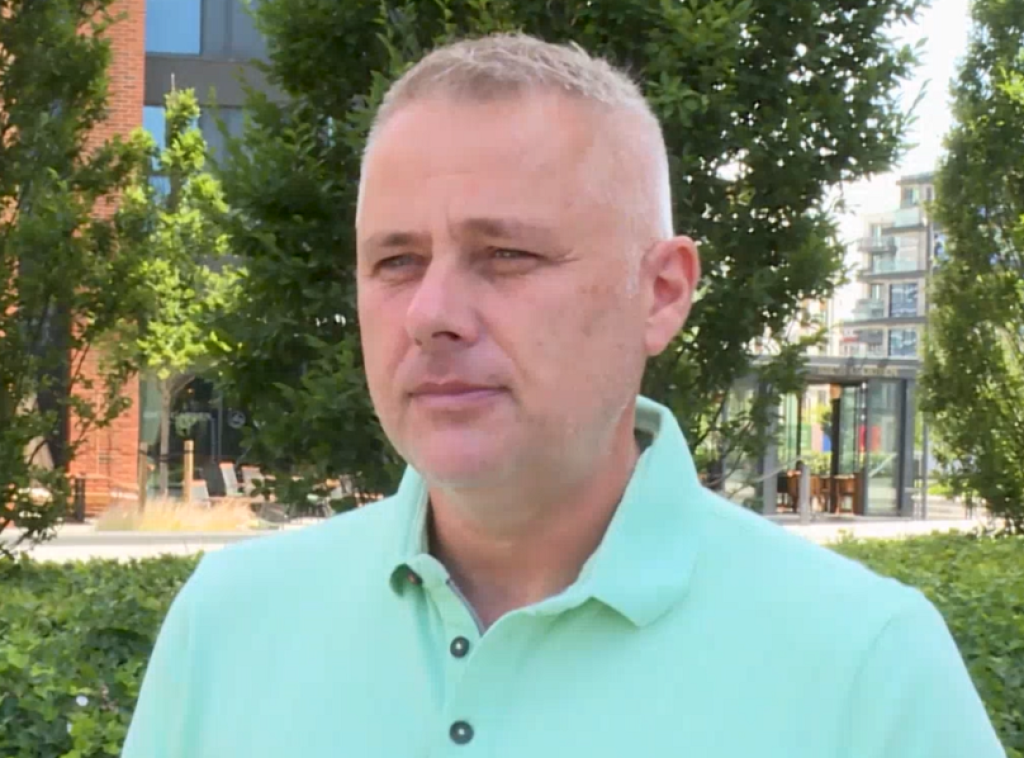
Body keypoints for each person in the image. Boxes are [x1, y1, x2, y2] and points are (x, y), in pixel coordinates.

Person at [122, 34, 1005, 757]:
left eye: (506, 255)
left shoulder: (866, 667)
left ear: (661, 292)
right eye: (396, 260)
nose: (431, 314)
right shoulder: (226, 626)